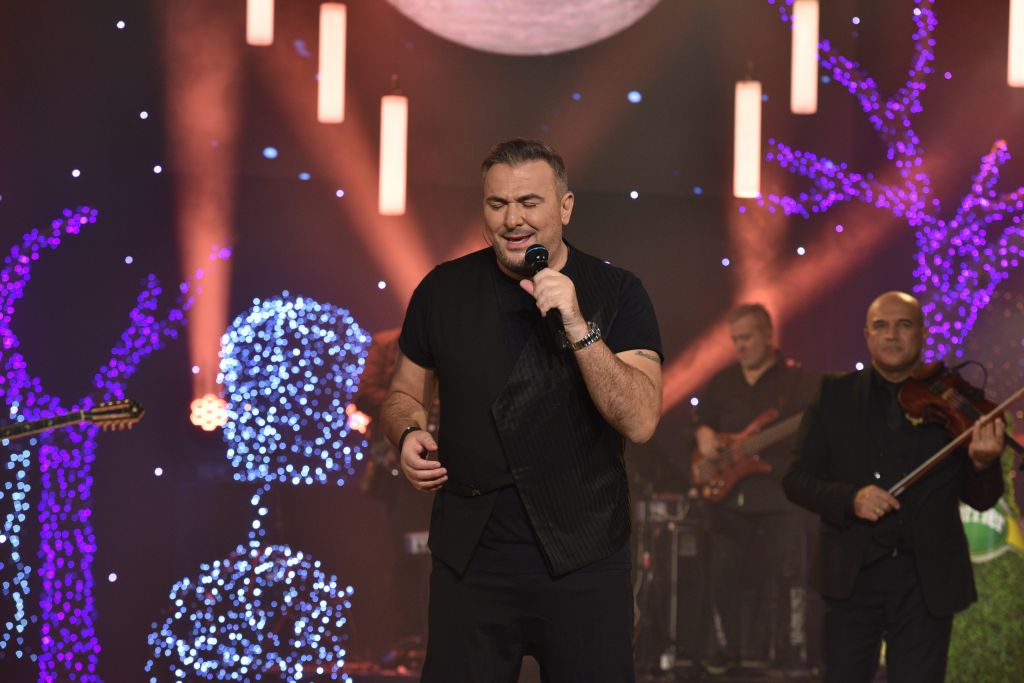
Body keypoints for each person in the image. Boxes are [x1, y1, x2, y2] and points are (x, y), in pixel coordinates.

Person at [381, 138, 663, 682]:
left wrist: (577, 323)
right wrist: (407, 432)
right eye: (498, 204)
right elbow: (402, 395)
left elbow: (641, 420)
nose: (513, 220)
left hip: (584, 553)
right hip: (472, 556)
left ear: (565, 206)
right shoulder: (442, 289)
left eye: (529, 202)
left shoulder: (618, 291)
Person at [782, 291, 1005, 683]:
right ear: (867, 335)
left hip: (926, 581)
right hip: (851, 578)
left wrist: (983, 465)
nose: (891, 335)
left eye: (904, 325)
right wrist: (851, 499)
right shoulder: (833, 393)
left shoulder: (954, 401)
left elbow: (983, 500)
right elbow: (795, 479)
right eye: (881, 326)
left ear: (922, 334)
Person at [693, 304, 817, 672]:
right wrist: (705, 436)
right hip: (731, 498)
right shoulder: (723, 380)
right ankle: (725, 650)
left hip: (780, 493)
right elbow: (702, 419)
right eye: (735, 339)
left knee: (789, 574)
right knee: (723, 573)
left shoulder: (797, 380)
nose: (740, 346)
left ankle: (791, 651)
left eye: (746, 337)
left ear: (768, 334)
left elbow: (814, 433)